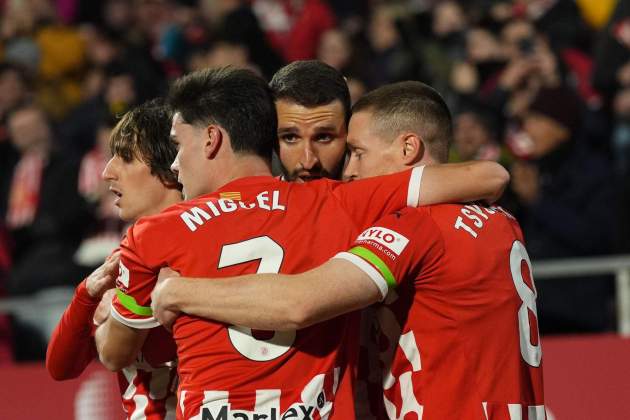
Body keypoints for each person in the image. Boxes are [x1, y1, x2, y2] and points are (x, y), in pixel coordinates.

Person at [95, 67, 509, 419]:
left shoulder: (360, 203)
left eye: (326, 138)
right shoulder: (336, 204)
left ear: (351, 137)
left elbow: (299, 303)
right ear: (266, 137)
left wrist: (176, 291)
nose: (307, 159)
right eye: (289, 137)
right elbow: (490, 177)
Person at [46, 99, 182, 419]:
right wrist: (87, 294)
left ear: (168, 166)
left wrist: (113, 312)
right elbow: (61, 367)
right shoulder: (125, 256)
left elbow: (115, 355)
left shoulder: (197, 247)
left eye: (124, 158)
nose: (107, 173)